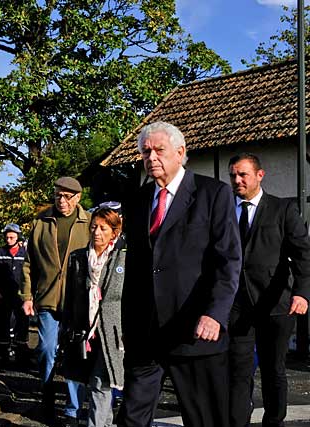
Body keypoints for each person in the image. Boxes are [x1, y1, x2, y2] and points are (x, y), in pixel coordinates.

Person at [117, 121, 241, 427]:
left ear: (180, 152)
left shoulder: (213, 194)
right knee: (131, 418)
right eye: (146, 152)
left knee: (204, 419)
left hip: (194, 331)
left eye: (159, 150)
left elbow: (228, 260)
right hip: (145, 335)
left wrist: (215, 313)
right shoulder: (137, 201)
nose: (151, 157)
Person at [227, 153, 310, 427]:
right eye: (233, 175)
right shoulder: (225, 210)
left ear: (260, 175)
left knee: (274, 370)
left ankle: (273, 422)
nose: (237, 180)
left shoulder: (282, 210)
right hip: (237, 306)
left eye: (243, 175)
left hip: (276, 304)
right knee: (238, 370)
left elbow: (302, 254)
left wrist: (302, 292)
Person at [20, 176, 91, 425]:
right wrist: (27, 295)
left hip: (77, 302)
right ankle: (47, 397)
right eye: (58, 195)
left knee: (74, 355)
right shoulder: (41, 222)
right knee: (46, 349)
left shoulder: (89, 223)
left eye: (67, 196)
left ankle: (73, 409)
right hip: (46, 297)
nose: (61, 201)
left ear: (78, 198)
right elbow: (29, 263)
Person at [62, 206, 125, 427]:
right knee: (91, 383)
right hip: (83, 331)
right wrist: (67, 327)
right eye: (94, 227)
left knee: (100, 383)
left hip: (111, 332)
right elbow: (70, 297)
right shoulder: (78, 258)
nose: (96, 232)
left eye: (103, 228)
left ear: (114, 232)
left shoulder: (122, 258)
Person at [0, 223, 30, 365]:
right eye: (6, 237)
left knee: (22, 323)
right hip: (4, 295)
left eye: (12, 237)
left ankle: (21, 355)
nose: (9, 240)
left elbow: (31, 274)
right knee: (4, 323)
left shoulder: (25, 254)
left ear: (18, 237)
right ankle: (4, 355)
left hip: (21, 295)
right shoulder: (0, 253)